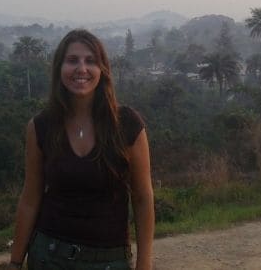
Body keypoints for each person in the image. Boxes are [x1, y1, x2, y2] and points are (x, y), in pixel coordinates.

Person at [9, 29, 154, 269]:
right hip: (49, 256)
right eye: (72, 60)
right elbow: (30, 198)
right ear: (60, 69)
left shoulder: (127, 125)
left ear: (102, 70)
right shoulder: (41, 127)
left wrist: (145, 264)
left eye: (90, 61)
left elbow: (142, 198)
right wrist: (15, 262)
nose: (81, 69)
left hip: (109, 260)